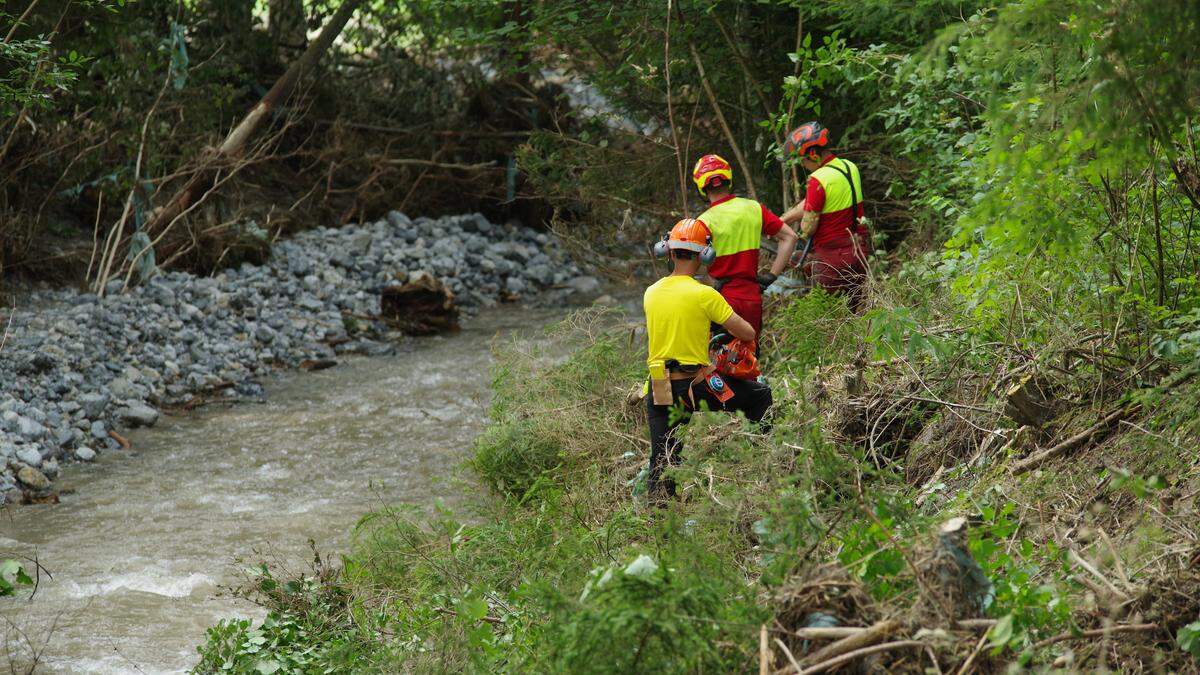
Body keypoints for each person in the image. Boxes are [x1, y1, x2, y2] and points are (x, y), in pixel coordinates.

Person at [644, 218, 773, 500]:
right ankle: (768, 465)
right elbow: (746, 331)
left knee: (663, 458)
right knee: (760, 395)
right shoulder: (705, 295)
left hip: (659, 388)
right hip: (695, 386)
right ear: (705, 255)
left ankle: (659, 521)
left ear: (669, 251)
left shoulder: (650, 293)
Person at [692, 154, 800, 335]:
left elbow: (693, 267)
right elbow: (790, 237)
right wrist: (771, 275)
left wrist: (707, 284)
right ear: (728, 179)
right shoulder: (753, 208)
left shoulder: (703, 222)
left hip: (720, 301)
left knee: (718, 358)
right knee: (749, 358)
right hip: (751, 298)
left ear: (702, 187)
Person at [780, 121, 871, 310]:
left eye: (803, 159)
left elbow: (808, 226)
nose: (803, 164)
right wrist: (781, 221)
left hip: (833, 260)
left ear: (813, 153)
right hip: (859, 251)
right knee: (854, 312)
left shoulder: (818, 179)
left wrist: (795, 233)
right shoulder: (848, 167)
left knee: (828, 316)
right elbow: (809, 203)